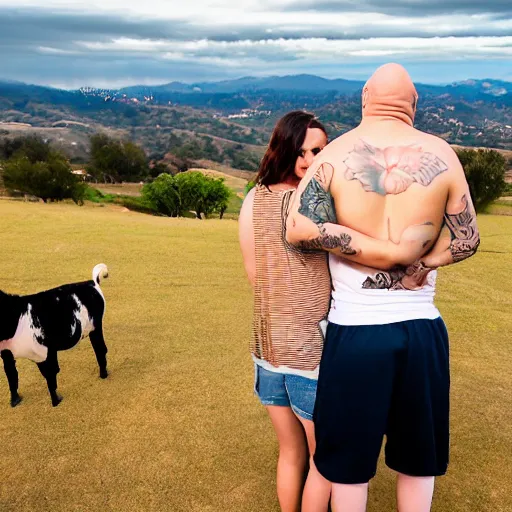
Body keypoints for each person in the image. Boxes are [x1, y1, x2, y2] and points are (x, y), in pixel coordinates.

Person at [286, 63, 480, 512]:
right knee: (418, 460)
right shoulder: (444, 154)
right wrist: (416, 260)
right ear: (413, 105)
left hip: (355, 331)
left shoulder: (334, 154)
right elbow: (468, 239)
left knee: (347, 464)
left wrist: (371, 248)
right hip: (421, 328)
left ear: (364, 97)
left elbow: (298, 227)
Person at [239, 111, 333, 512]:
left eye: (320, 150)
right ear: (286, 150)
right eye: (304, 151)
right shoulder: (308, 204)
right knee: (324, 460)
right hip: (308, 350)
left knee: (291, 452)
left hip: (267, 348)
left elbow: (254, 274)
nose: (312, 160)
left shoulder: (252, 197)